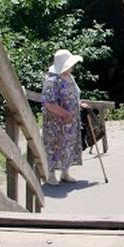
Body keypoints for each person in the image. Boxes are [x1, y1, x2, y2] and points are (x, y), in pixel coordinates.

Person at [41, 49, 87, 185]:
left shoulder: (69, 77)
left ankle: (65, 173)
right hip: (55, 122)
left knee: (68, 145)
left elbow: (74, 94)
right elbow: (47, 102)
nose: (72, 67)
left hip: (70, 122)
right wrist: (64, 113)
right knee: (54, 146)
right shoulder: (52, 80)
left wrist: (79, 103)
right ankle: (50, 175)